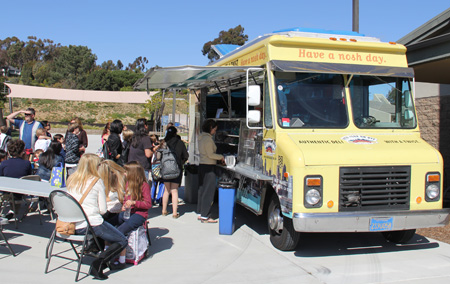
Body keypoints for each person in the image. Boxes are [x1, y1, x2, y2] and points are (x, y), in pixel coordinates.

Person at [66, 154, 127, 280]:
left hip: (71, 224)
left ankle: (95, 248)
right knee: (122, 240)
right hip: (91, 224)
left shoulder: (71, 179)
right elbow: (103, 210)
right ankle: (98, 264)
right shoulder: (96, 181)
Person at [108, 161, 152, 270]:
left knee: (120, 231)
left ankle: (121, 260)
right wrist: (124, 205)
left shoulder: (144, 185)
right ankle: (106, 250)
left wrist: (134, 203)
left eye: (126, 172)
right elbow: (126, 198)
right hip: (128, 212)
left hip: (139, 214)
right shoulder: (128, 183)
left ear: (133, 173)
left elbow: (148, 204)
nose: (124, 174)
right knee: (108, 225)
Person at [197, 119, 224, 223]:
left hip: (202, 165)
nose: (215, 132)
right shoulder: (208, 140)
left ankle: (200, 212)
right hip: (209, 167)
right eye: (214, 129)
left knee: (202, 190)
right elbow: (211, 154)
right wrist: (221, 157)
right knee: (209, 191)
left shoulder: (201, 137)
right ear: (210, 128)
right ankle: (205, 215)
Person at [161, 127, 188, 218]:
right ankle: (174, 213)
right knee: (174, 191)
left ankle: (164, 210)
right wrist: (181, 163)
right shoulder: (180, 143)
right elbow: (186, 156)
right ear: (175, 133)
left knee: (166, 190)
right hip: (177, 169)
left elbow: (158, 156)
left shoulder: (163, 143)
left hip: (165, 169)